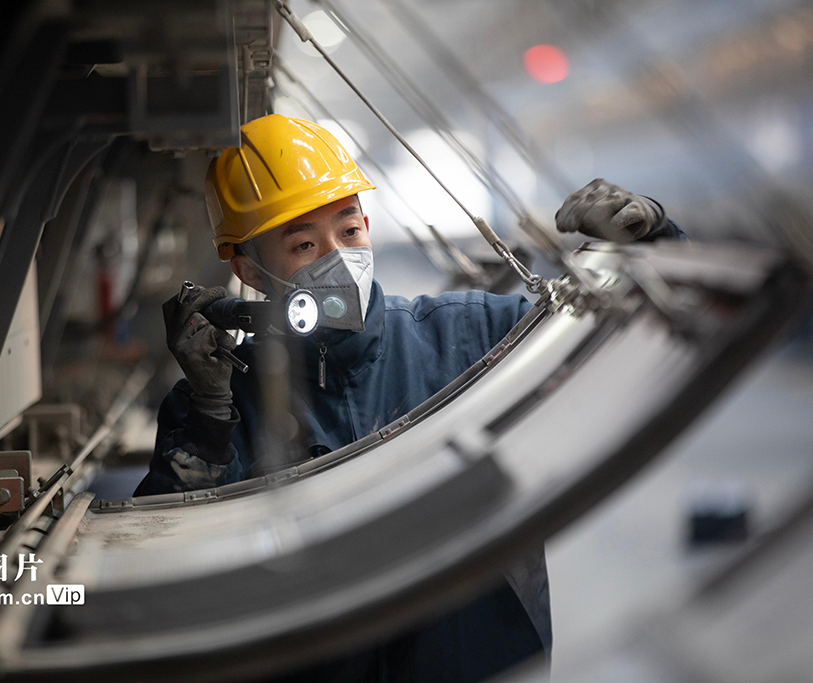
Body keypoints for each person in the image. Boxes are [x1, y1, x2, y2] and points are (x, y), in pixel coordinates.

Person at [135, 114, 684, 681]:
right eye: (303, 244)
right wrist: (208, 421)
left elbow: (649, 329)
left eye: (349, 232)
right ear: (249, 270)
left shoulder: (471, 336)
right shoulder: (220, 404)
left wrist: (648, 239)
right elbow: (157, 565)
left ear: (367, 226)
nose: (339, 259)